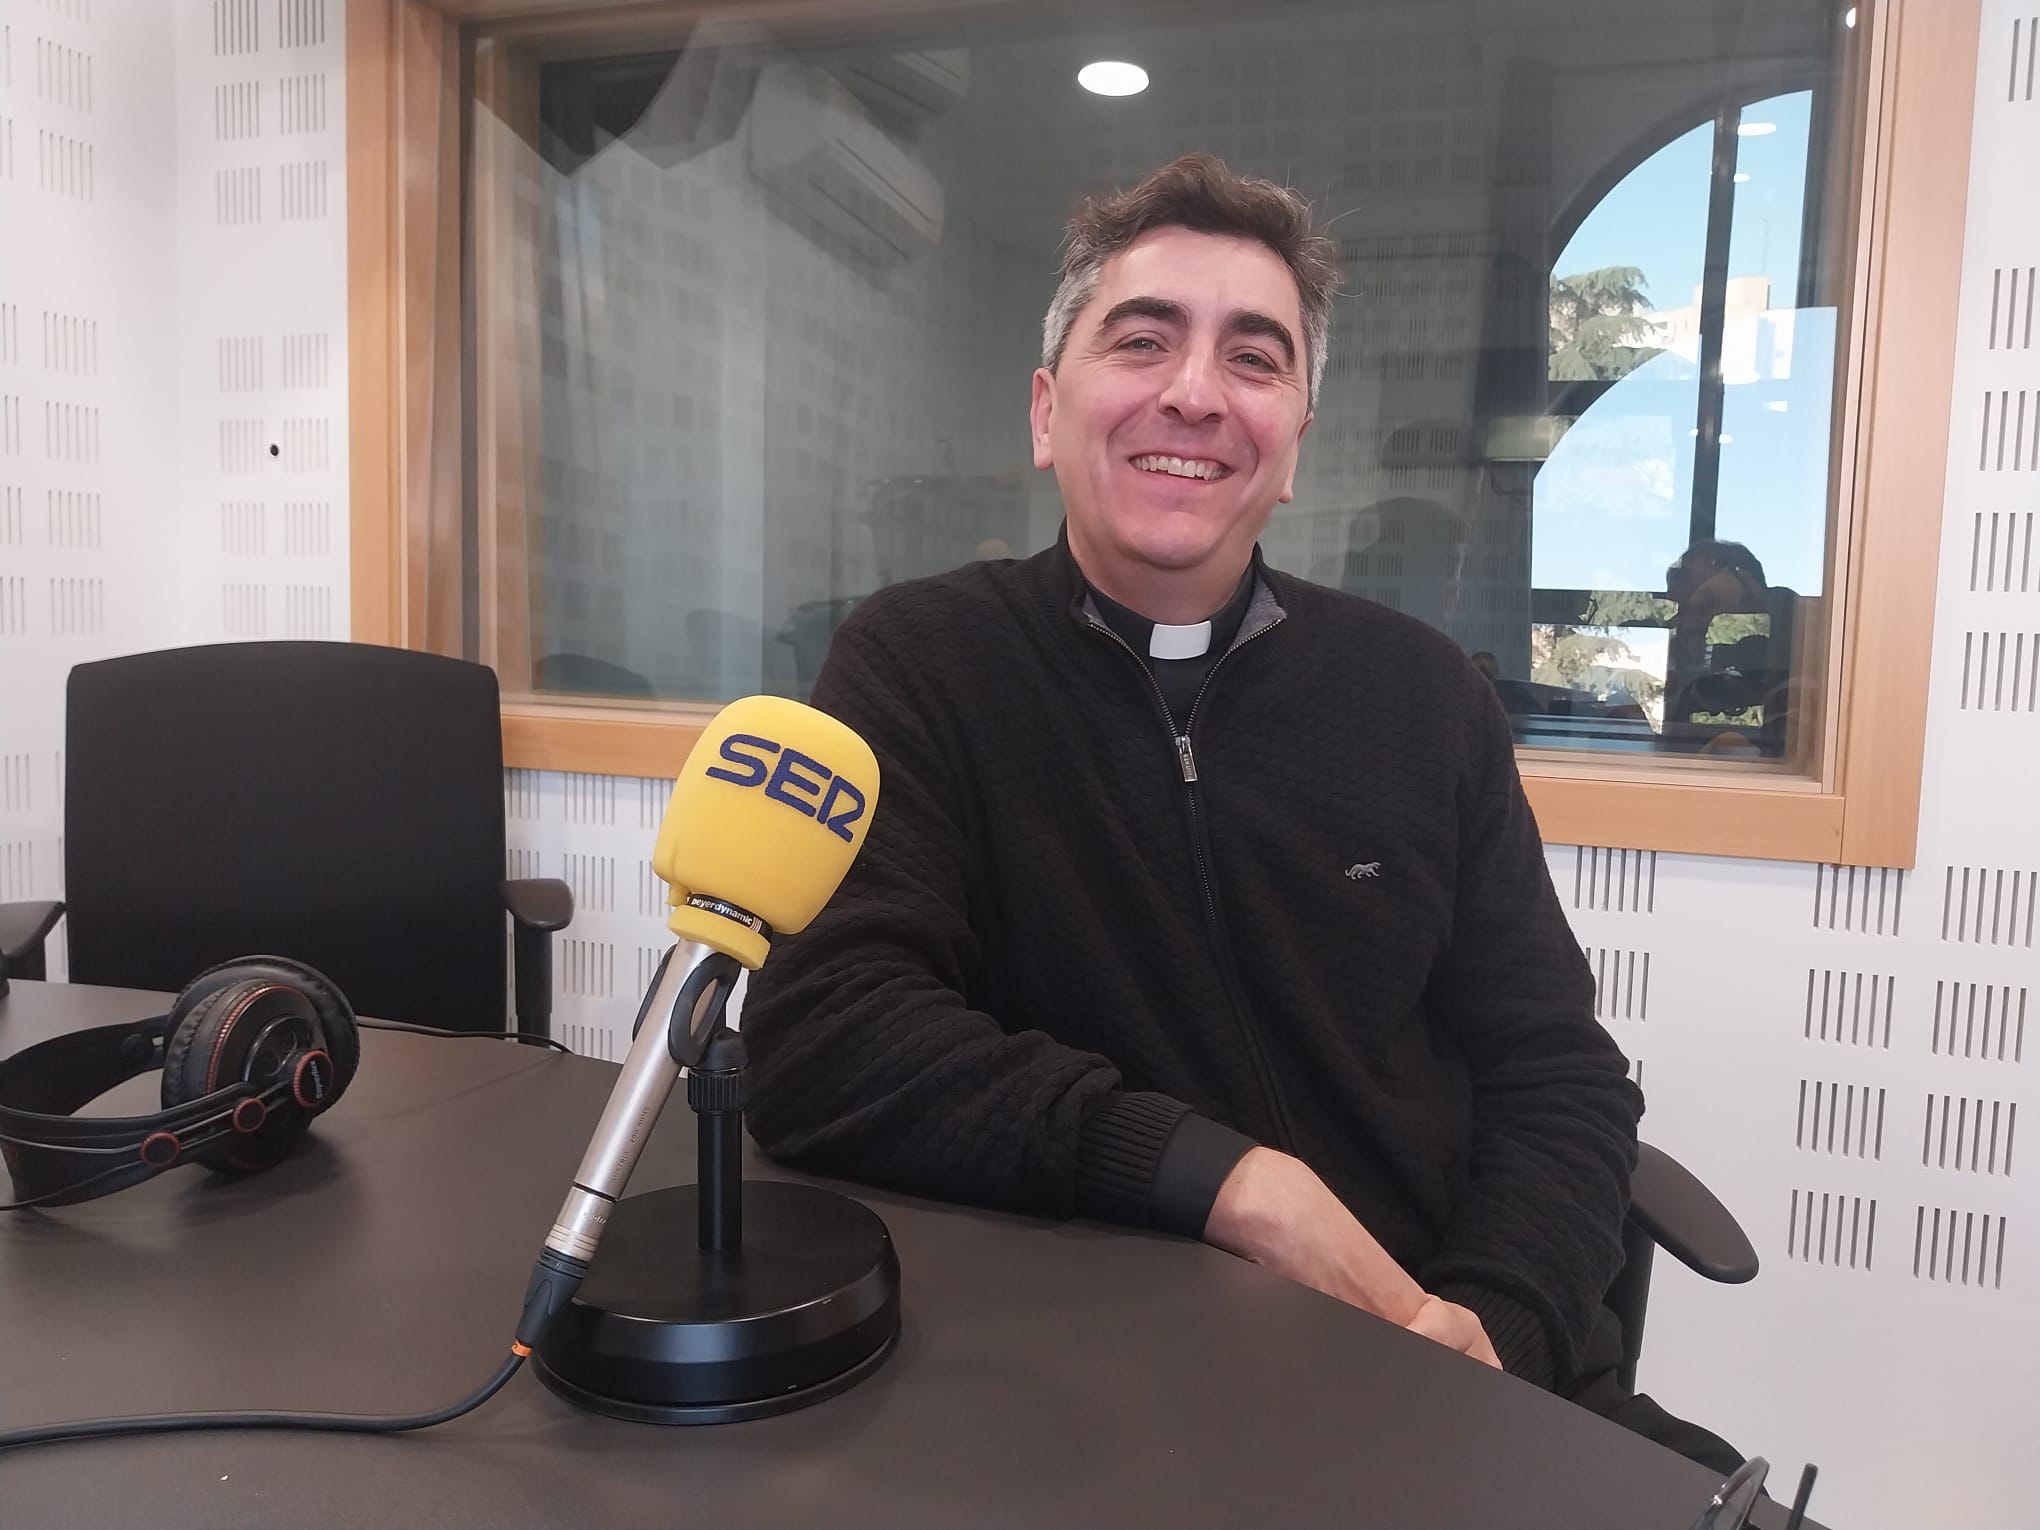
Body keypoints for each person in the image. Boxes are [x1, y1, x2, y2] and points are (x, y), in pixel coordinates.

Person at [744, 153, 1742, 1473]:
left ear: (1293, 451)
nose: (1197, 392)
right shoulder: (921, 663)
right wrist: (1228, 1179)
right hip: (1098, 1394)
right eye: (1143, 339)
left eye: (1256, 358)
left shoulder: (1425, 694)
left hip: (1449, 1358)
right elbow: (828, 1032)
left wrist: (1492, 1328)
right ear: (1048, 411)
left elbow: (1556, 1071)